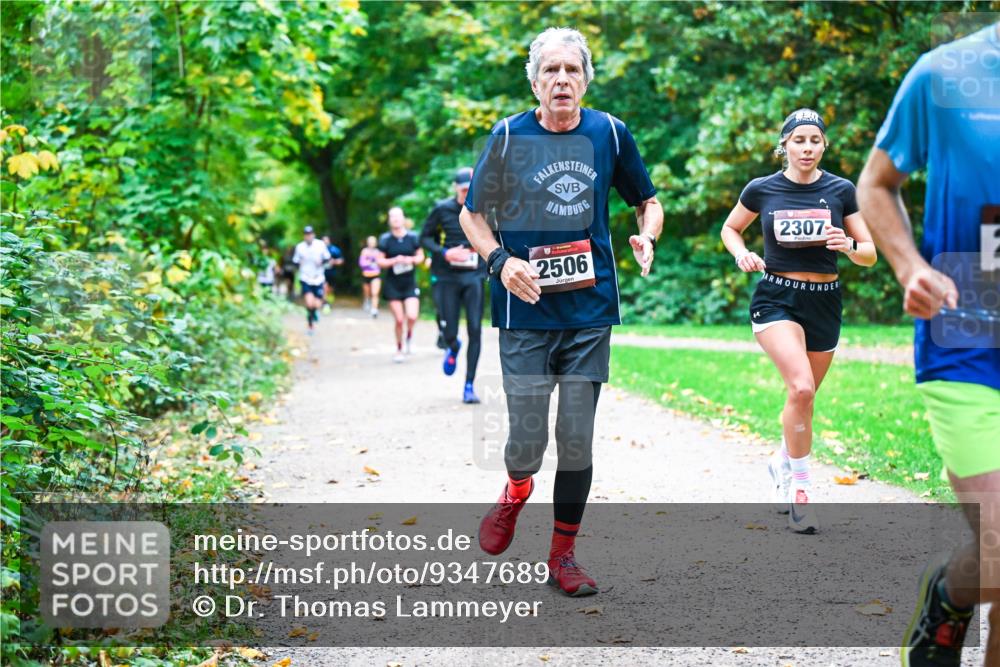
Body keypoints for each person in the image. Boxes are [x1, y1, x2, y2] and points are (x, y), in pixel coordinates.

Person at [459, 27, 662, 597]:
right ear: (534, 80)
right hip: (523, 310)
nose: (562, 80)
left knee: (576, 439)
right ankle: (516, 489)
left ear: (586, 79)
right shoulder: (506, 136)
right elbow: (472, 215)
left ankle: (563, 556)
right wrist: (500, 261)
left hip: (589, 311)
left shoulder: (610, 134)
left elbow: (647, 201)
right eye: (551, 70)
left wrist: (646, 235)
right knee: (526, 444)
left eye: (572, 70)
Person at [857, 21, 1000, 667]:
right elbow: (876, 183)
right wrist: (910, 264)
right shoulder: (945, 74)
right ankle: (949, 594)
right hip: (966, 339)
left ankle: (953, 592)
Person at [720, 108, 877, 534]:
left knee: (804, 399)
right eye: (798, 140)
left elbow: (869, 253)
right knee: (801, 386)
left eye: (814, 140)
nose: (806, 148)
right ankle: (802, 490)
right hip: (776, 299)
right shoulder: (762, 189)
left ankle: (781, 460)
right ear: (784, 145)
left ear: (824, 145)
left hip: (825, 300)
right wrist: (741, 253)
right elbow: (731, 229)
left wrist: (847, 244)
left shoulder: (841, 190)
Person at [420, 167, 486, 404]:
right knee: (449, 329)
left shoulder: (484, 209)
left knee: (476, 329)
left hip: (473, 276)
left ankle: (469, 385)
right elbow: (424, 238)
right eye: (463, 190)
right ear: (456, 189)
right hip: (447, 276)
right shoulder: (442, 209)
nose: (467, 193)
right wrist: (445, 253)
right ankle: (452, 345)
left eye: (471, 189)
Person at [378, 207, 424, 362]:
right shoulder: (385, 239)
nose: (395, 219)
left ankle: (409, 336)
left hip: (409, 283)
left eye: (398, 216)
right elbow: (380, 261)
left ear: (403, 218)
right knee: (398, 319)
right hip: (393, 284)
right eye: (392, 217)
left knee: (412, 316)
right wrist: (394, 260)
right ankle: (399, 348)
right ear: (389, 220)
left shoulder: (413, 237)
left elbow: (420, 257)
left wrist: (409, 260)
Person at [292, 226, 331, 333]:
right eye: (306, 234)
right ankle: (310, 325)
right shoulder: (300, 247)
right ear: (304, 236)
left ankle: (314, 312)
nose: (308, 236)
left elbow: (327, 258)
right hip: (305, 277)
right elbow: (295, 261)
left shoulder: (320, 245)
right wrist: (298, 264)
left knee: (317, 304)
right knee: (309, 303)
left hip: (318, 277)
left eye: (310, 234)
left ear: (313, 235)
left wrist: (321, 262)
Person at [358, 235, 382, 317]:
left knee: (375, 293)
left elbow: (380, 263)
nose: (372, 244)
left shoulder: (378, 252)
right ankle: (367, 300)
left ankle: (374, 309)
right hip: (366, 275)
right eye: (370, 242)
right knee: (367, 292)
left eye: (373, 242)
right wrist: (371, 264)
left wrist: (371, 264)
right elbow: (362, 263)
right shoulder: (364, 251)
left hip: (376, 275)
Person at [322, 235, 345, 313]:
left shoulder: (335, 249)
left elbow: (341, 260)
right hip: (321, 273)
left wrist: (334, 262)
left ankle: (329, 301)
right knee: (324, 288)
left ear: (329, 241)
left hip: (332, 273)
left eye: (326, 240)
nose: (325, 242)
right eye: (323, 240)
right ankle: (325, 304)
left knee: (330, 289)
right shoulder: (319, 249)